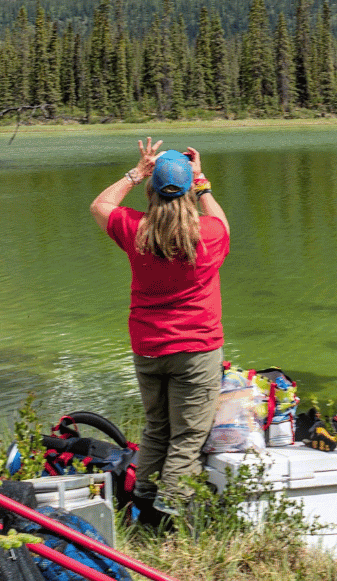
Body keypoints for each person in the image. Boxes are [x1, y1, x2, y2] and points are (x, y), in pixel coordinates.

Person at [89, 136, 230, 530]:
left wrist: (136, 172)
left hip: (149, 348)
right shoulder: (210, 235)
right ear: (188, 189)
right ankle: (166, 522)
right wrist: (203, 183)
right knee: (186, 438)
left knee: (156, 429)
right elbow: (222, 221)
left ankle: (141, 510)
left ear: (152, 189)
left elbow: (100, 205)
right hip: (197, 350)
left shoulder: (136, 230)